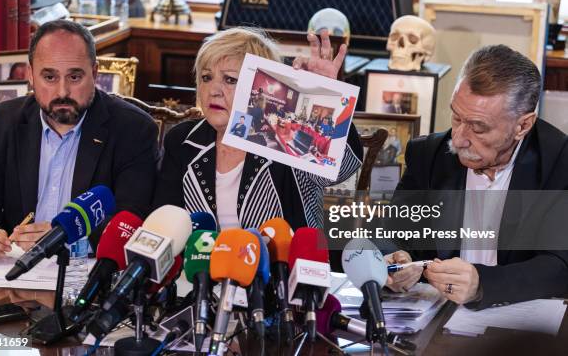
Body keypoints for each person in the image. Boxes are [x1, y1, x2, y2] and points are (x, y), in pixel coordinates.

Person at [0, 20, 159, 262]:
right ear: (31, 75)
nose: (62, 91)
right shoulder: (5, 120)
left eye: (74, 77)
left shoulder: (133, 129)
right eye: (49, 77)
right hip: (12, 275)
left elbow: (133, 219)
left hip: (89, 275)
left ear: (94, 73)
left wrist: (67, 240)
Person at [384, 45, 568, 310]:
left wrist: (482, 284)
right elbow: (389, 234)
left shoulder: (559, 164)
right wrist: (394, 261)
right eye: (457, 118)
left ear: (523, 125)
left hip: (524, 325)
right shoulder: (429, 155)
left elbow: (559, 266)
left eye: (478, 127)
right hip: (438, 319)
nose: (458, 139)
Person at [154, 28, 362, 230]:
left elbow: (343, 170)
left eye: (230, 79)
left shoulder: (282, 146)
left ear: (256, 88)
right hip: (201, 264)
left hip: (283, 265)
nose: (213, 91)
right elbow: (164, 222)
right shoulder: (182, 140)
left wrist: (330, 94)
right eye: (206, 77)